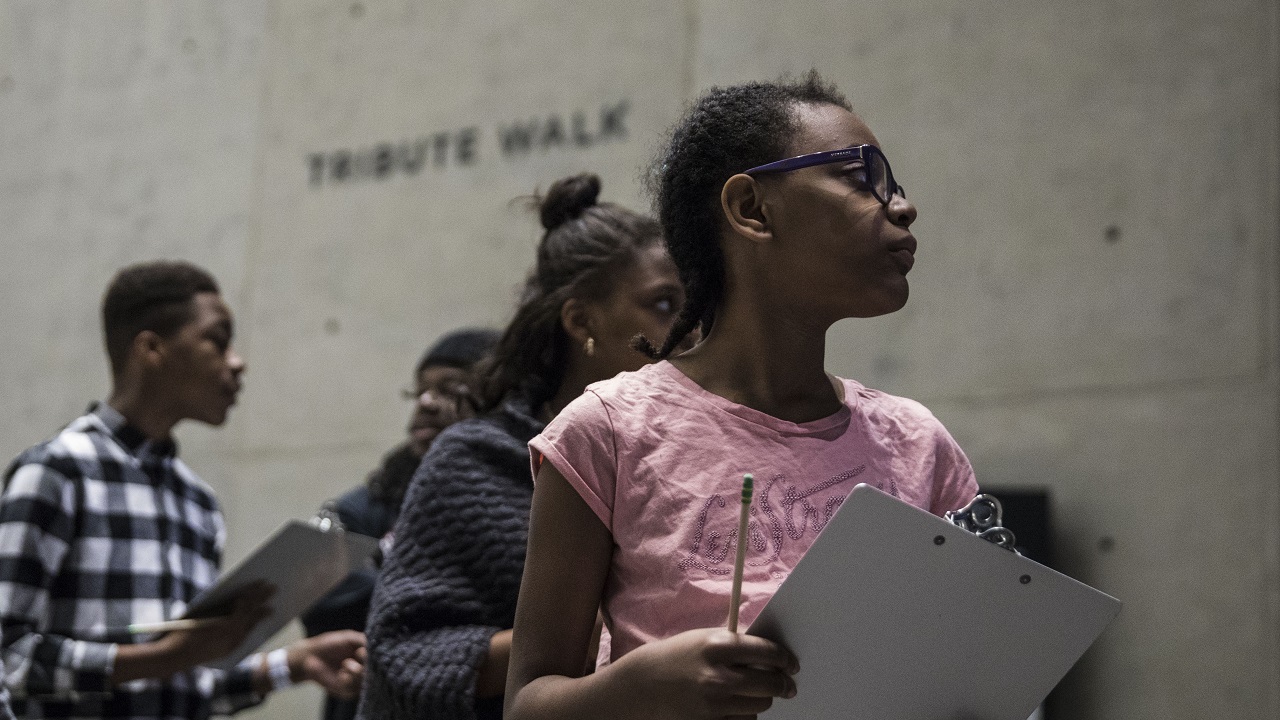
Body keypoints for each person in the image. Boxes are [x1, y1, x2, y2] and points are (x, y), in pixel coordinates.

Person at [505, 72, 981, 720]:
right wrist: (638, 685)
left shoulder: (917, 442)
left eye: (893, 183)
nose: (901, 205)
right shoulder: (609, 432)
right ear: (751, 209)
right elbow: (528, 704)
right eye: (859, 175)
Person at [355, 173, 687, 720]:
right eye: (663, 304)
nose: (689, 329)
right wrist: (583, 634)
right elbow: (398, 660)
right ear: (581, 321)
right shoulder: (477, 461)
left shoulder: (694, 457)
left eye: (694, 305)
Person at [0, 260, 366, 720]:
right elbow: (7, 657)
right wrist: (164, 657)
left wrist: (293, 663)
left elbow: (181, 688)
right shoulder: (58, 472)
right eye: (218, 338)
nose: (238, 362)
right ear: (151, 349)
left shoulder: (199, 504)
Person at [300, 328, 500, 720]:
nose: (426, 402)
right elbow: (317, 590)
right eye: (419, 391)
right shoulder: (372, 500)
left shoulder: (517, 491)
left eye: (450, 388)